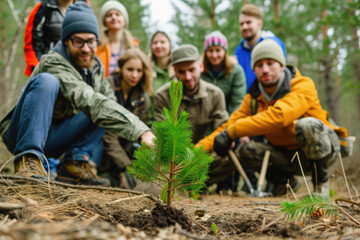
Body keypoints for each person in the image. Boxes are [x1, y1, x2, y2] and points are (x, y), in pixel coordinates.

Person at [0, 2, 154, 186]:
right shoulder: (53, 61)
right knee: (47, 82)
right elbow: (88, 99)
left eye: (91, 41)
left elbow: (109, 105)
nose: (86, 48)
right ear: (66, 41)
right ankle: (28, 159)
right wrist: (141, 132)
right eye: (78, 41)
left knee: (107, 106)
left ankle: (75, 163)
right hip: (21, 134)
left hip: (56, 137)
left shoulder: (95, 68)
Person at [197, 39, 349, 196]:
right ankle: (285, 183)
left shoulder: (303, 85)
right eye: (259, 65)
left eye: (270, 63)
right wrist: (193, 153)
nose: (265, 70)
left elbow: (279, 116)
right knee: (246, 150)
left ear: (282, 65)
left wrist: (232, 132)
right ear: (254, 70)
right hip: (286, 156)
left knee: (307, 125)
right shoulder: (254, 99)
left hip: (322, 151)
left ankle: (321, 185)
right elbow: (226, 127)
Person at [154, 44, 236, 192]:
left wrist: (198, 154)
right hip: (173, 162)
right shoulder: (162, 96)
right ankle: (185, 185)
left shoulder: (215, 94)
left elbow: (222, 131)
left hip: (202, 156)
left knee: (233, 155)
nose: (188, 77)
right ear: (174, 71)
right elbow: (162, 135)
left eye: (192, 70)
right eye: (181, 72)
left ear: (201, 67)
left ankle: (197, 185)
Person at [101, 48, 153, 187]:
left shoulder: (143, 98)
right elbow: (108, 136)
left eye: (139, 71)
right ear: (121, 68)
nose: (134, 75)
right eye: (130, 69)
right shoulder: (108, 86)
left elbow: (138, 136)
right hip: (100, 144)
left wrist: (130, 169)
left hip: (125, 150)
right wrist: (126, 168)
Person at [23, 0, 89, 76]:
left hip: (76, 70)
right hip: (48, 69)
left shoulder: (84, 8)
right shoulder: (44, 7)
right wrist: (39, 68)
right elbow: (31, 42)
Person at [234, 3, 286, 92]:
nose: (244, 27)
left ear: (259, 24)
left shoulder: (273, 44)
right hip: (248, 101)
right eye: (241, 24)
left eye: (248, 22)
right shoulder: (239, 51)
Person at [202, 30, 246, 115]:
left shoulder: (236, 71)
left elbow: (238, 102)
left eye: (218, 50)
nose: (214, 55)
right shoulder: (200, 72)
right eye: (210, 51)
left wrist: (227, 125)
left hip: (228, 120)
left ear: (224, 51)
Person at [96, 0, 135, 77]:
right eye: (109, 15)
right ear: (104, 21)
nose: (113, 17)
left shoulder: (134, 46)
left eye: (117, 14)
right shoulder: (97, 45)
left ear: (124, 21)